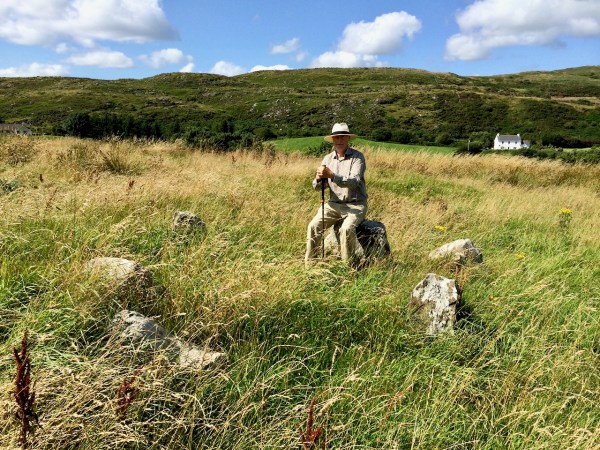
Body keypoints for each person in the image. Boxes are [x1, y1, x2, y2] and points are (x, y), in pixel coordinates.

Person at [305, 122, 368, 268]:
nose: (339, 140)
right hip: (333, 205)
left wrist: (332, 175)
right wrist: (319, 179)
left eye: (342, 137)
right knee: (313, 226)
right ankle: (310, 265)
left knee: (346, 229)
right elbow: (318, 187)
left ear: (348, 139)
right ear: (333, 140)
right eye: (336, 137)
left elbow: (354, 182)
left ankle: (347, 267)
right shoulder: (327, 159)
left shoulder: (357, 157)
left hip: (356, 205)